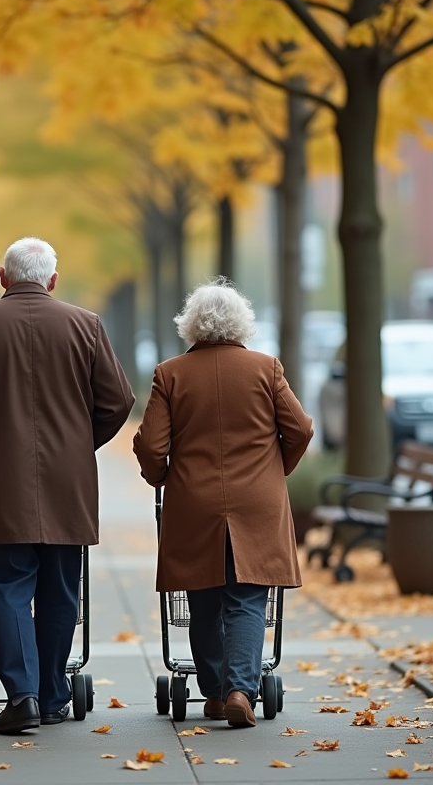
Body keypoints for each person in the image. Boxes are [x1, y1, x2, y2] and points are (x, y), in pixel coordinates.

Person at [0, 237, 135, 735]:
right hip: (68, 486)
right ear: (53, 280)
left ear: (3, 277)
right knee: (62, 591)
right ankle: (52, 695)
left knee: (6, 587)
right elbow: (119, 400)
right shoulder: (86, 325)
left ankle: (20, 694)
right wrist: (79, 445)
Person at [133, 280, 313, 728]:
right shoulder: (266, 369)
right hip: (258, 502)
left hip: (193, 503)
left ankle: (214, 692)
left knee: (205, 602)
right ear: (241, 323)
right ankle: (240, 691)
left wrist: (160, 477)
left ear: (191, 325)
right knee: (248, 599)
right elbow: (301, 429)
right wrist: (276, 470)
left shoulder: (169, 373)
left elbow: (153, 446)